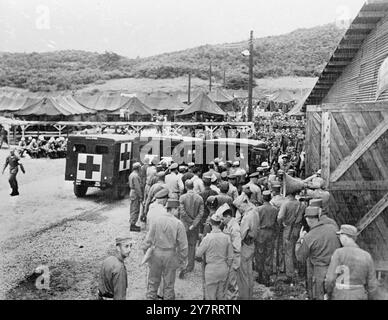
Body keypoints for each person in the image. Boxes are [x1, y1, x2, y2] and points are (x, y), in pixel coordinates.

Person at [142, 199, 188, 300]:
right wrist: (181, 259)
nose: (178, 212)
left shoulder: (156, 220)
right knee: (169, 284)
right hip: (170, 255)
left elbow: (148, 239)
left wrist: (146, 252)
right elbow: (183, 246)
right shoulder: (178, 223)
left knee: (153, 282)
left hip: (156, 254)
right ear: (173, 209)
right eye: (178, 209)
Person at [295, 206, 341, 300]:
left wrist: (300, 240)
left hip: (319, 271)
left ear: (307, 219)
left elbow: (300, 257)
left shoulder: (309, 237)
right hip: (336, 269)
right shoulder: (333, 228)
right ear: (318, 217)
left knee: (319, 295)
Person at [325, 225, 378, 300]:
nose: (339, 238)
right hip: (359, 295)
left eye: (340, 236)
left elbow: (330, 279)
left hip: (340, 295)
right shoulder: (366, 256)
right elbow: (372, 285)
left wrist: (329, 294)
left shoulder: (338, 253)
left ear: (345, 237)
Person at [196, 212, 233, 300]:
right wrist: (227, 266)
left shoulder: (207, 238)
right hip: (223, 268)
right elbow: (231, 257)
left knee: (210, 296)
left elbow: (198, 254)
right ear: (220, 223)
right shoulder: (227, 237)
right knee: (221, 295)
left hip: (211, 270)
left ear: (211, 224)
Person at [277, 190, 306, 283]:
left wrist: (282, 224)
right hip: (298, 229)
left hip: (288, 229)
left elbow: (280, 217)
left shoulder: (285, 204)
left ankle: (290, 275)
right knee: (296, 250)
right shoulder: (302, 205)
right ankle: (299, 270)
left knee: (288, 252)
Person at [233, 193, 258, 300]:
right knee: (249, 273)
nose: (240, 209)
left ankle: (244, 296)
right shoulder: (255, 211)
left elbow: (241, 235)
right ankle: (249, 295)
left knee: (242, 275)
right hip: (251, 245)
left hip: (245, 247)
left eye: (240, 207)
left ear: (244, 203)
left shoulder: (247, 217)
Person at [179, 179, 204, 277]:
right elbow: (201, 213)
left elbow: (182, 212)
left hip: (184, 225)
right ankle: (190, 266)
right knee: (192, 245)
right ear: (193, 186)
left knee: (182, 245)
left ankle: (182, 265)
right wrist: (194, 223)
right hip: (195, 226)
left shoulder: (182, 197)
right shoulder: (199, 198)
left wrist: (189, 221)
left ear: (185, 186)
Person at [255, 191, 278, 286]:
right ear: (270, 198)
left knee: (260, 254)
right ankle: (267, 276)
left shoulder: (258, 209)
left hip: (261, 232)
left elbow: (256, 222)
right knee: (269, 254)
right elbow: (277, 223)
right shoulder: (275, 209)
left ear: (263, 198)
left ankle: (260, 275)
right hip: (271, 232)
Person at [98, 236, 132, 300]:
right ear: (118, 248)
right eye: (126, 246)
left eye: (131, 246)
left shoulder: (108, 260)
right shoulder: (120, 268)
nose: (129, 250)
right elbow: (120, 297)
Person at [219, 204, 241, 300]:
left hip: (232, 259)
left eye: (223, 219)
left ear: (228, 216)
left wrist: (233, 262)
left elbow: (237, 247)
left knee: (232, 284)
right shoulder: (228, 225)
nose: (221, 221)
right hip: (228, 258)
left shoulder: (234, 227)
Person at [128, 162, 143, 232]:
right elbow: (137, 187)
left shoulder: (132, 175)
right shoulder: (136, 176)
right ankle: (133, 225)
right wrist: (141, 196)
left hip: (132, 192)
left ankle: (132, 222)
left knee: (132, 208)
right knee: (135, 209)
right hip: (135, 193)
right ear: (138, 168)